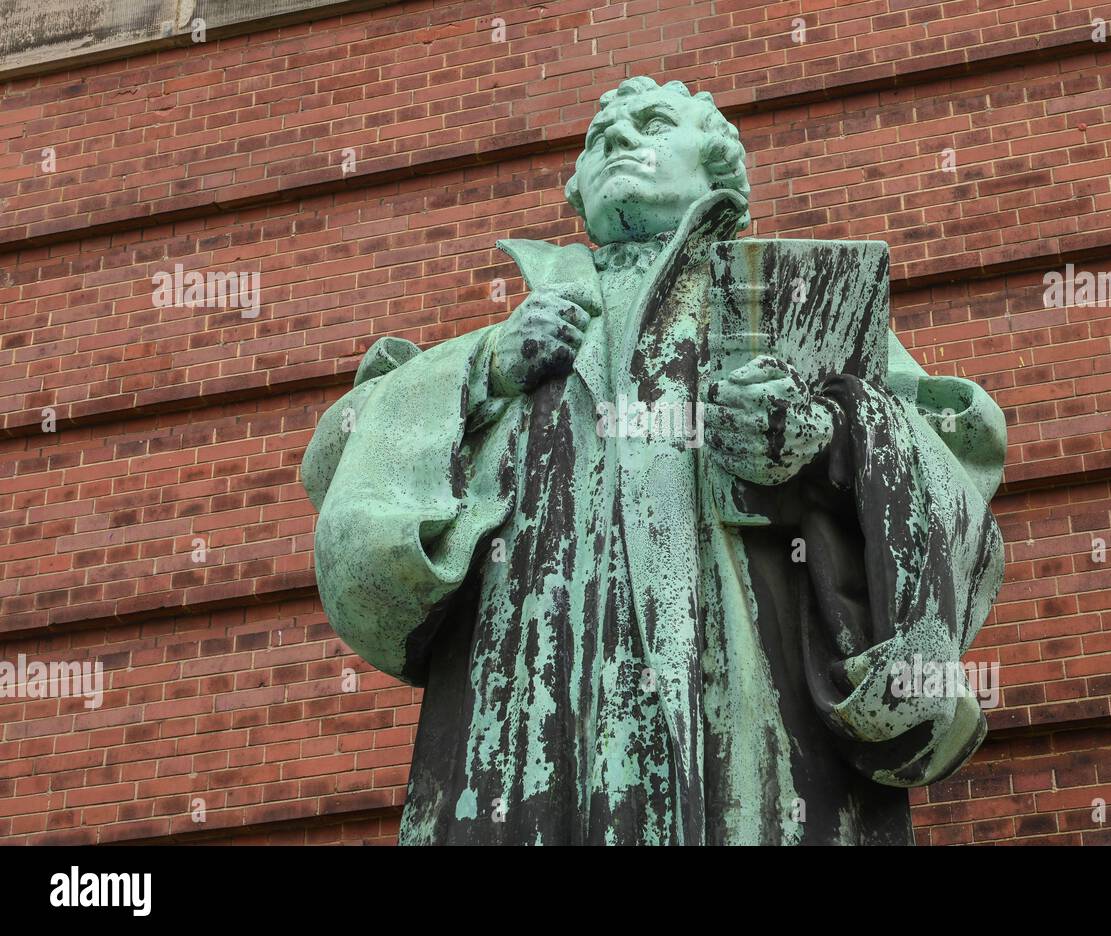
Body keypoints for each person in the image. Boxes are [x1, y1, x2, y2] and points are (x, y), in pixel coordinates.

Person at [302, 76, 1006, 845]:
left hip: (739, 684)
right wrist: (483, 369)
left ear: (717, 169)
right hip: (529, 700)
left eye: (651, 123)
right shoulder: (525, 328)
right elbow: (345, 463)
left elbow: (954, 448)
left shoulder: (790, 306)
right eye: (601, 136)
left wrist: (824, 436)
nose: (619, 140)